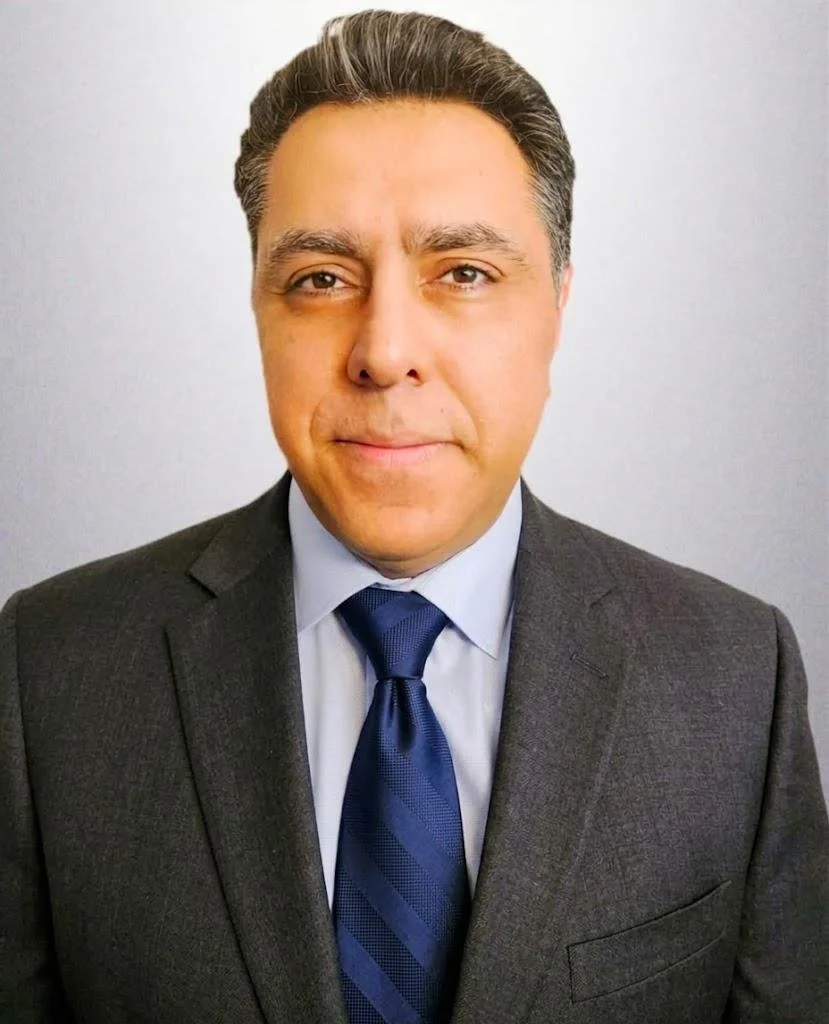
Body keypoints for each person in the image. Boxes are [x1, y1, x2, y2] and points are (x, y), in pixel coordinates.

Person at [1, 9, 826, 1024]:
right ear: (257, 307)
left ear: (558, 307)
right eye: (319, 279)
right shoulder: (49, 675)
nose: (383, 349)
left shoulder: (735, 677)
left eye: (464, 273)